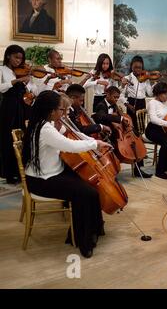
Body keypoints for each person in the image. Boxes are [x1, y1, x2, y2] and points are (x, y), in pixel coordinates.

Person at [23, 91, 111, 258]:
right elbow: (70, 145)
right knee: (85, 193)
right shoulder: (45, 129)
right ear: (51, 110)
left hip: (51, 172)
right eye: (61, 110)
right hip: (42, 180)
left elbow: (73, 135)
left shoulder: (43, 123)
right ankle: (82, 241)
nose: (63, 114)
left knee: (89, 187)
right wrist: (95, 143)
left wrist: (90, 141)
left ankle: (93, 228)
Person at [0, 45, 38, 184]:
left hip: (22, 107)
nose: (18, 61)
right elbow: (1, 88)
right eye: (16, 57)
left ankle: (21, 170)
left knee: (23, 137)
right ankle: (9, 173)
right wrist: (16, 81)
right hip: (9, 107)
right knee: (8, 138)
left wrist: (30, 87)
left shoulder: (23, 72)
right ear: (8, 56)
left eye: (21, 58)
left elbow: (33, 89)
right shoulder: (2, 69)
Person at [94, 86, 149, 178]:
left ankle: (138, 169)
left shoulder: (115, 105)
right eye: (114, 97)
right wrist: (120, 118)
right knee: (114, 146)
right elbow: (101, 117)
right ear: (107, 94)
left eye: (117, 97)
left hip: (118, 131)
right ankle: (113, 172)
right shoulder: (101, 105)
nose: (116, 99)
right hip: (106, 132)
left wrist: (122, 117)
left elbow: (120, 118)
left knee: (136, 140)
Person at [120, 56, 153, 177]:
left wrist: (150, 80)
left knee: (139, 133)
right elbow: (121, 95)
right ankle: (136, 165)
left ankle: (140, 164)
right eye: (135, 67)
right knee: (133, 134)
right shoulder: (127, 78)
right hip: (131, 105)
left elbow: (149, 93)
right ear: (132, 67)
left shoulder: (145, 78)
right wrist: (127, 104)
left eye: (140, 67)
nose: (138, 70)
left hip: (141, 104)